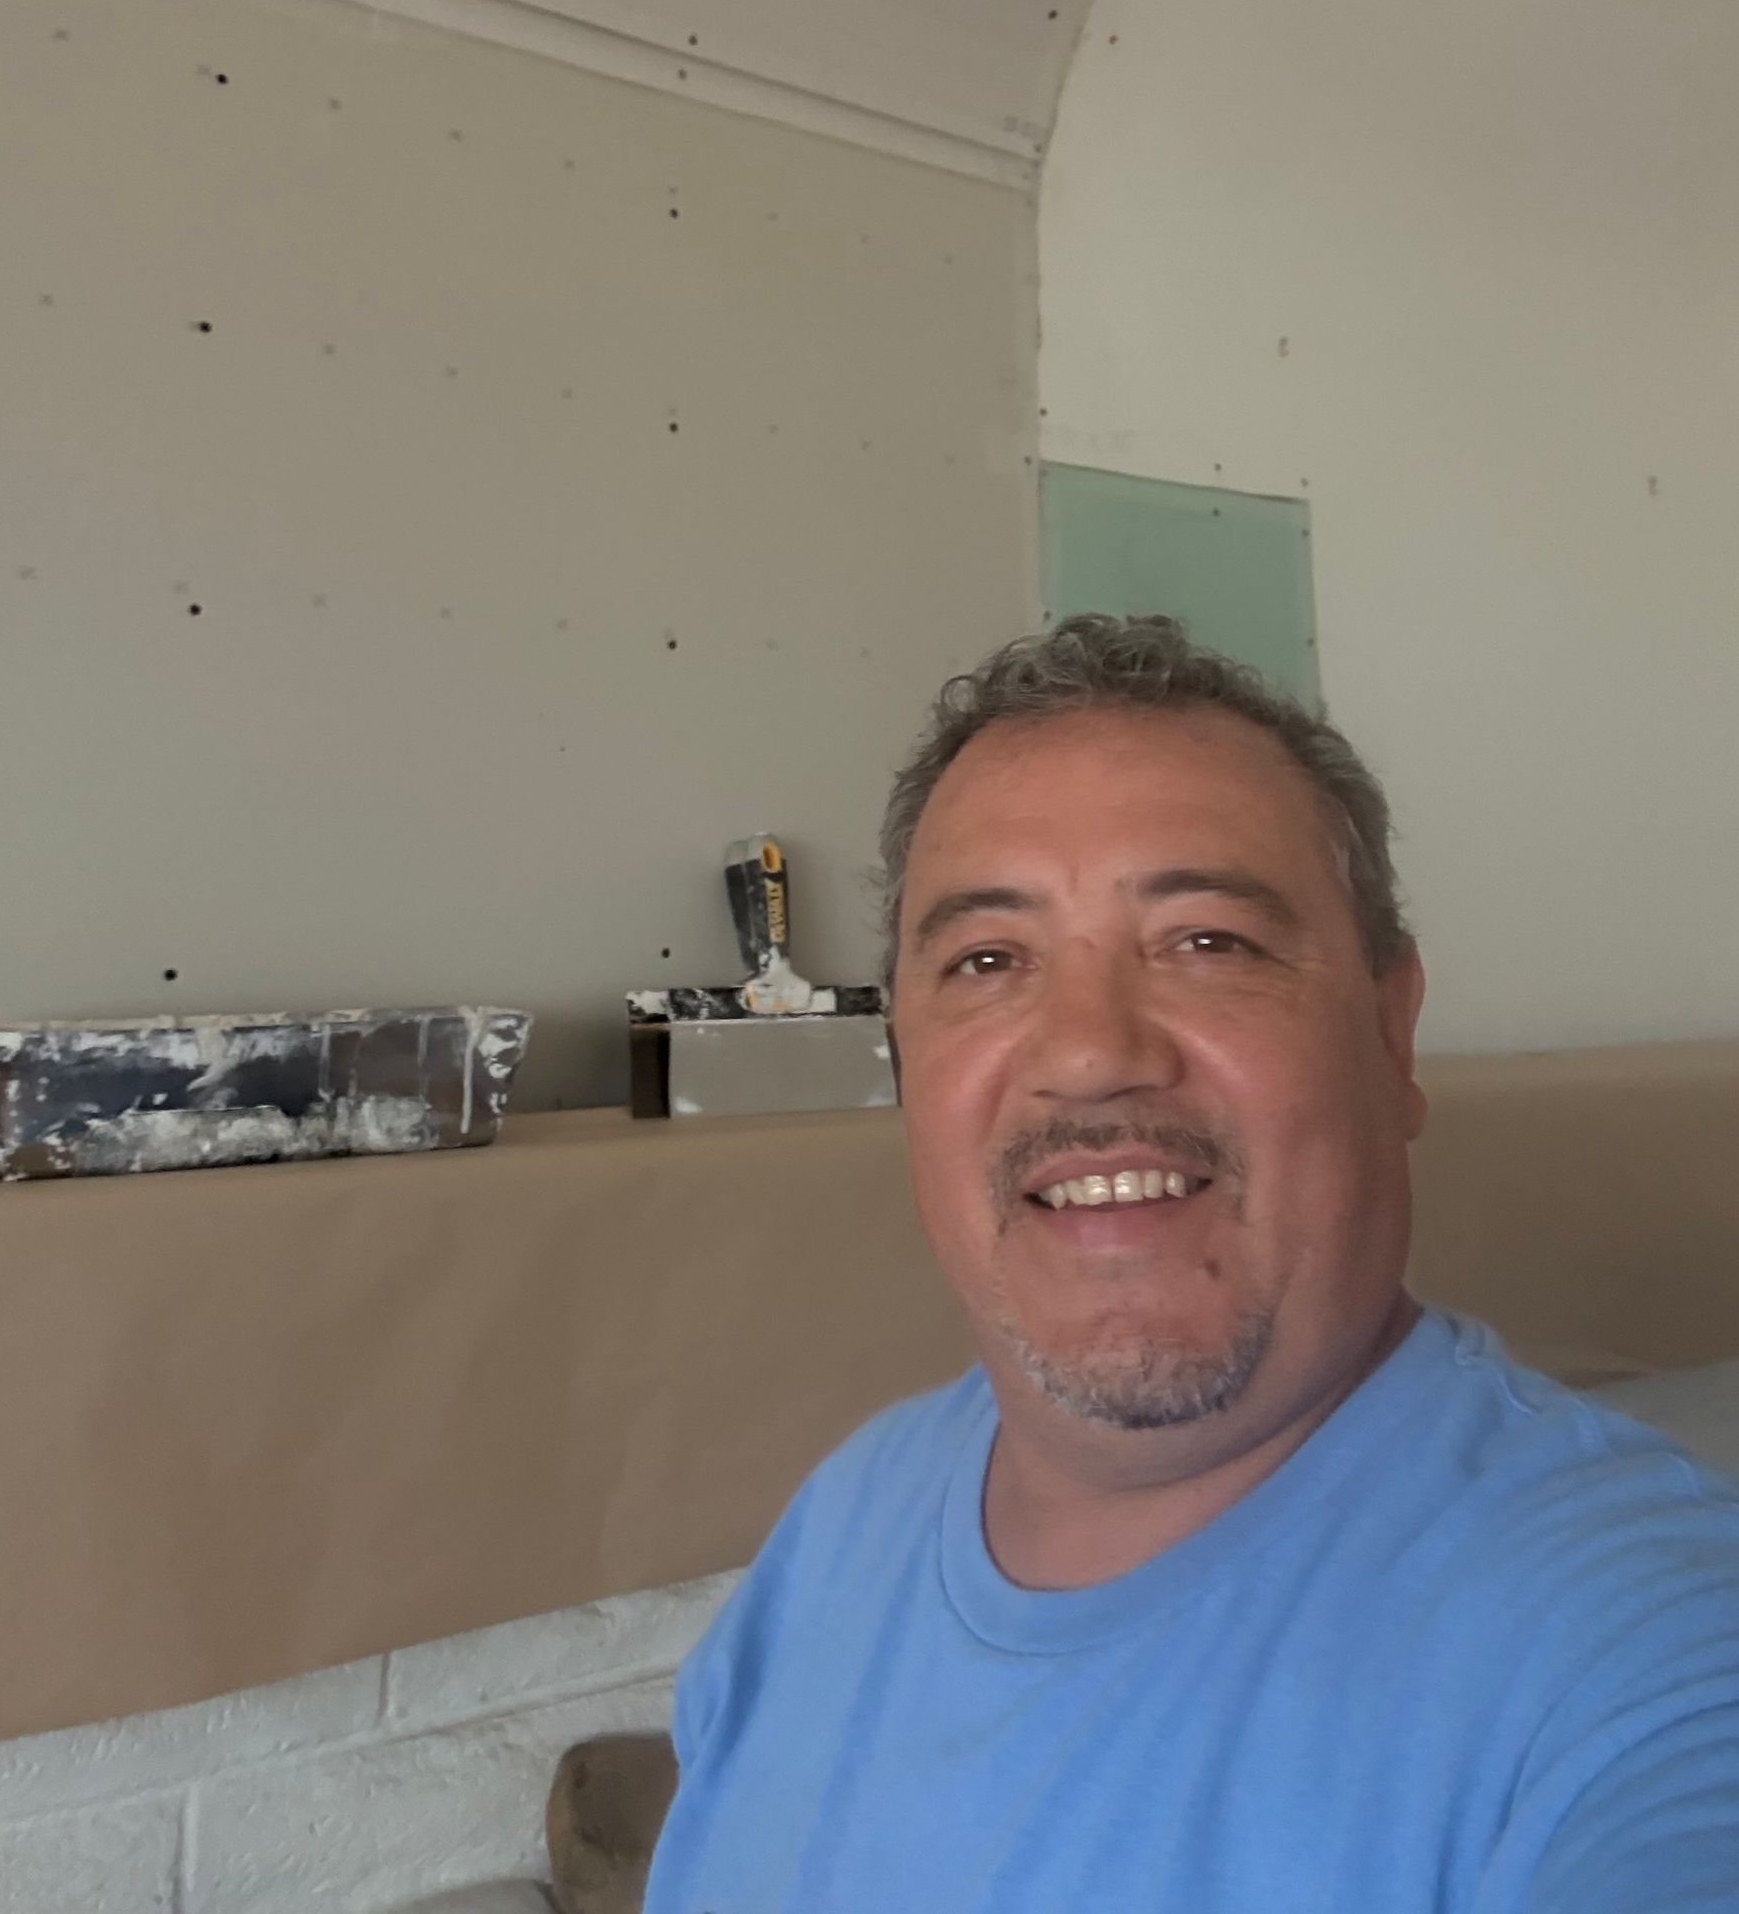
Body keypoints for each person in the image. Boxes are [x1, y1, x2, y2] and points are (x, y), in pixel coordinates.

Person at [643, 614, 1739, 1912]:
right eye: (987, 961)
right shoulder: (841, 1527)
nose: (1089, 1051)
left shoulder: (1649, 1650)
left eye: (1208, 942)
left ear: (1391, 1034)